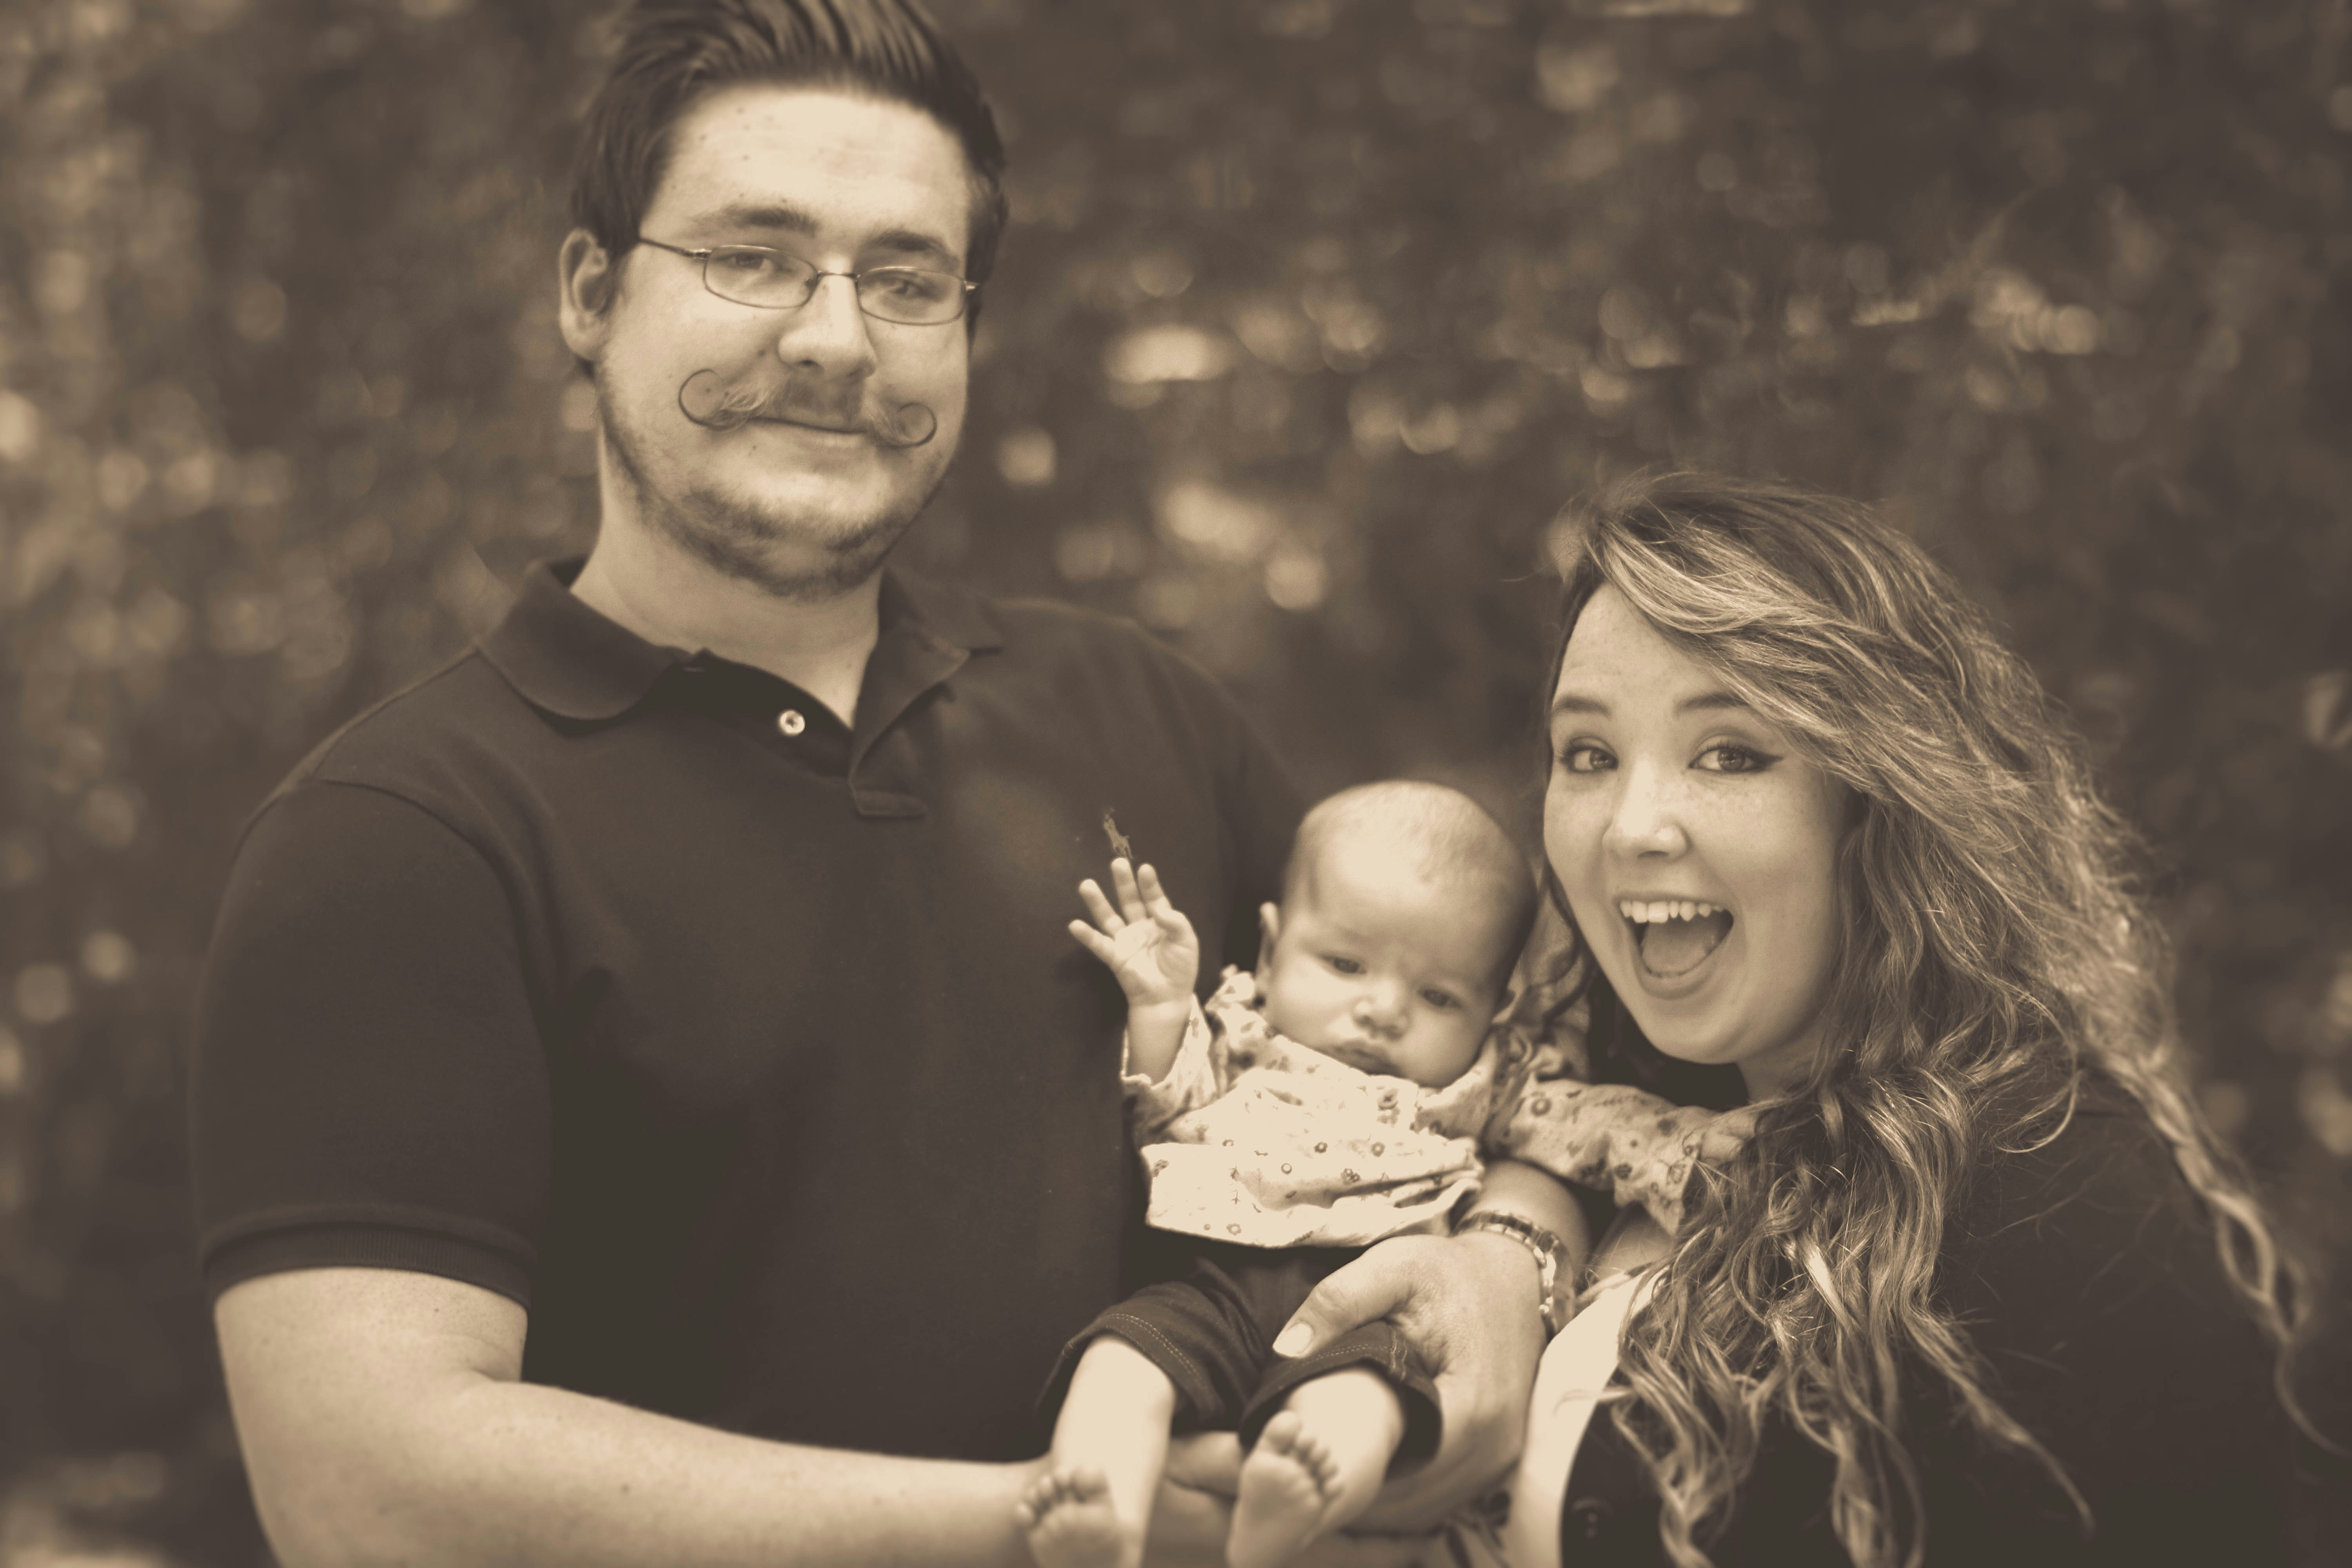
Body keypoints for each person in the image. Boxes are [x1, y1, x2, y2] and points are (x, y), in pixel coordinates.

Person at [186, 4, 1575, 1564]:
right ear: (591, 291)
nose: (835, 338)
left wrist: (1514, 1254)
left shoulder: (1141, 714)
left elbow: (1512, 1064)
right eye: (752, 256)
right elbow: (374, 1496)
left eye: (906, 279)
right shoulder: (401, 839)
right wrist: (1045, 1530)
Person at [1474, 473, 2305, 1568]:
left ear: (1881, 800)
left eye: (1730, 753)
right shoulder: (1614, 1113)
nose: (1631, 826)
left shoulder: (2057, 1215)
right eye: (1589, 754)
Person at [1018, 784, 1743, 1568]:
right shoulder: (1239, 1035)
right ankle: (1099, 1497)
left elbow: (1592, 1125)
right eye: (1344, 963)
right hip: (1215, 1282)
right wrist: (1160, 1004)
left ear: (1497, 1008)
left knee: (1373, 1392)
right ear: (1269, 950)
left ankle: (1297, 1489)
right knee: (1124, 1353)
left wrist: (1698, 1149)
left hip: (1386, 1296)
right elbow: (1168, 1106)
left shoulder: (1481, 1085)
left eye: (1438, 995)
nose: (1384, 1007)